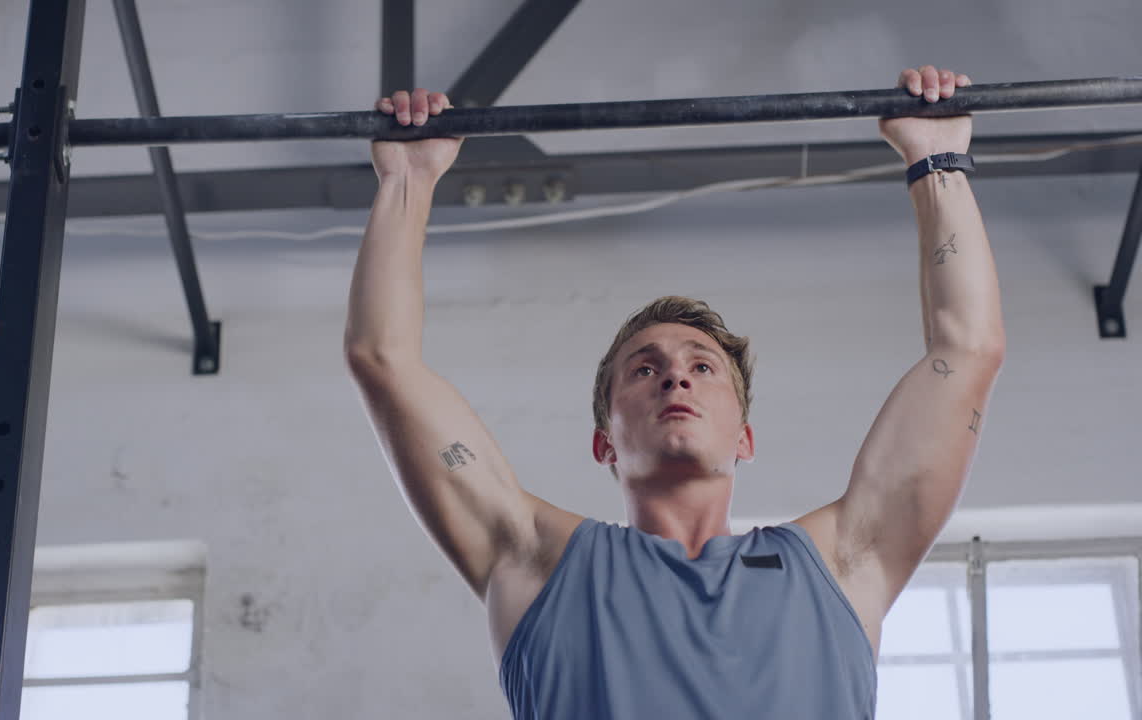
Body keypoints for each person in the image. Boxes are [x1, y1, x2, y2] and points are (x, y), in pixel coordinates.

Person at [344, 65, 1004, 719]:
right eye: (643, 368)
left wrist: (937, 159)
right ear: (604, 441)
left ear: (745, 436)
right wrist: (408, 180)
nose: (675, 376)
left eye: (703, 367)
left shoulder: (841, 563)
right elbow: (385, 360)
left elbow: (967, 351)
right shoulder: (536, 562)